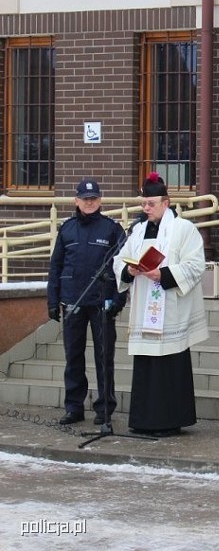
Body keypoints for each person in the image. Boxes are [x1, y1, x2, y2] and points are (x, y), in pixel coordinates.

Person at [113, 171, 209, 436]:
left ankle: (170, 420)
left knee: (169, 365)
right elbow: (120, 259)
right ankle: (144, 419)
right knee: (146, 365)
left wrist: (164, 274)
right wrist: (128, 271)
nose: (146, 209)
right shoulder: (138, 231)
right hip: (145, 307)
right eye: (143, 204)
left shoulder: (183, 229)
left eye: (151, 204)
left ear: (165, 203)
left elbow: (195, 265)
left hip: (170, 308)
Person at [47, 179, 126, 425]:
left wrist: (118, 300)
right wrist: (52, 300)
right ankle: (74, 407)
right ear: (76, 201)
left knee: (104, 357)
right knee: (73, 357)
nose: (89, 203)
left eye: (93, 199)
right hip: (72, 301)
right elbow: (56, 266)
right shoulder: (67, 229)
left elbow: (123, 267)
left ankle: (104, 409)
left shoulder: (112, 229)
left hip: (102, 304)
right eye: (85, 199)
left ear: (100, 200)